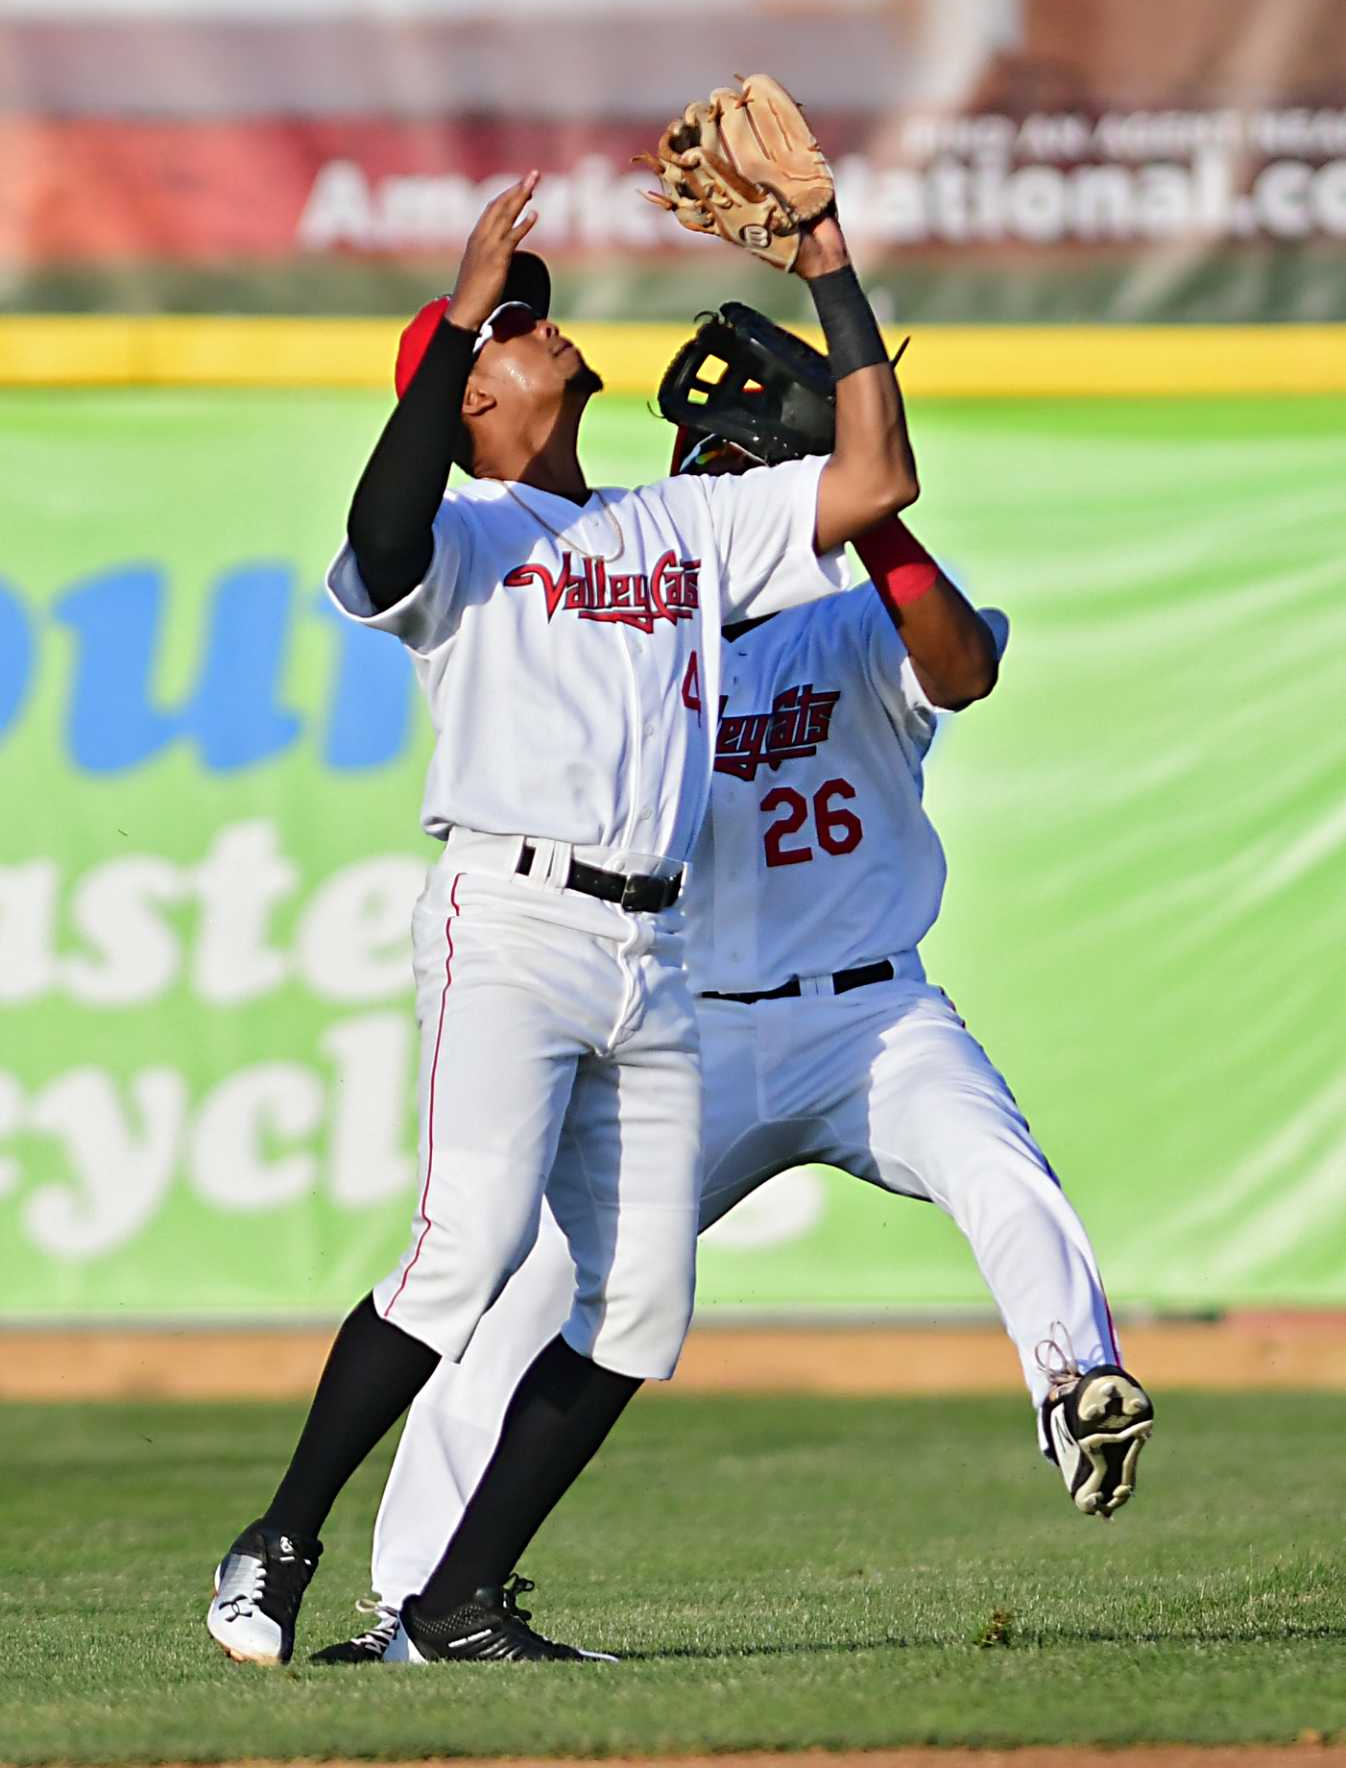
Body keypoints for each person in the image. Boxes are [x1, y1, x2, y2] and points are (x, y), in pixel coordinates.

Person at [206, 170, 922, 1666]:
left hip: (652, 955)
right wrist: (462, 308)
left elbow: (873, 484)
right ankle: (274, 1542)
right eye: (511, 337)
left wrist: (829, 266)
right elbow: (382, 529)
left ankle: (459, 1602)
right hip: (510, 924)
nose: (543, 335)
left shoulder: (679, 526)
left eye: (530, 319)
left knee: (640, 1305)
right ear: (469, 402)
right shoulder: (461, 547)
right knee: (461, 1252)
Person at [309, 414, 1156, 1668]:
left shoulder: (852, 618)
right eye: (707, 483)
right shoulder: (639, 642)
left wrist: (871, 517)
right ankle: (415, 1600)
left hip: (870, 1015)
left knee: (995, 1160)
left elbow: (963, 666)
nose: (721, 507)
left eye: (746, 483)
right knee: (534, 1281)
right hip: (693, 1022)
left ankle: (1075, 1383)